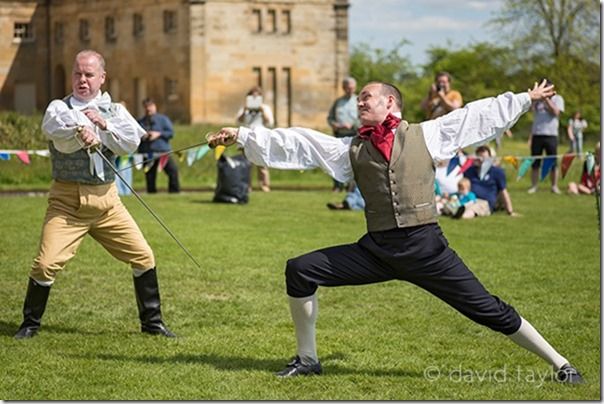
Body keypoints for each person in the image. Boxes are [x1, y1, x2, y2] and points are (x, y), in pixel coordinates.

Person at [208, 80, 582, 383]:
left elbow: (475, 116)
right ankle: (308, 360)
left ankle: (560, 363)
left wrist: (523, 99)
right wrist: (241, 136)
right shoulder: (350, 149)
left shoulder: (428, 134)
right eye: (357, 99)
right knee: (300, 269)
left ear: (390, 102)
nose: (359, 103)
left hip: (428, 252)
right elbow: (299, 142)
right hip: (377, 252)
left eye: (365, 97)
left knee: (489, 311)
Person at [14, 50, 175, 339]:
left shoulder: (115, 110)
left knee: (143, 256)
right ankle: (29, 324)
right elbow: (55, 131)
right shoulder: (58, 107)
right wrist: (82, 128)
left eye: (89, 74)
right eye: (78, 73)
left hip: (108, 203)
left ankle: (152, 324)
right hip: (67, 203)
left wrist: (104, 125)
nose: (82, 80)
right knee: (45, 263)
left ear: (102, 77)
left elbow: (130, 142)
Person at [527, 78, 564, 194]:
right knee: (535, 162)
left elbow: (556, 112)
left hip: (551, 135)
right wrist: (533, 98)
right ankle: (534, 186)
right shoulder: (538, 101)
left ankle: (554, 186)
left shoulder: (558, 99)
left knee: (552, 162)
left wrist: (547, 99)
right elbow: (530, 109)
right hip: (537, 134)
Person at [462, 145, 518, 219]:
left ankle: (462, 216)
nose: (481, 160)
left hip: (485, 203)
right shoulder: (470, 171)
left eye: (484, 157)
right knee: (459, 205)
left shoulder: (497, 172)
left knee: (472, 209)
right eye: (479, 157)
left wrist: (510, 211)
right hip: (471, 199)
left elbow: (503, 191)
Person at [137, 98, 180, 193]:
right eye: (146, 107)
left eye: (150, 106)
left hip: (163, 152)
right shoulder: (140, 122)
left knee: (173, 171)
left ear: (155, 106)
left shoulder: (163, 119)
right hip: (147, 153)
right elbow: (134, 136)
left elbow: (171, 133)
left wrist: (158, 134)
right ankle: (151, 194)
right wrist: (144, 136)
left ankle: (174, 192)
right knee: (150, 176)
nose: (148, 109)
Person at [236, 86, 274, 192]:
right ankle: (246, 186)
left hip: (260, 137)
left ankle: (264, 185)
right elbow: (238, 122)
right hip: (246, 137)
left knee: (262, 163)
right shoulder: (244, 108)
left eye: (257, 96)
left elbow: (269, 122)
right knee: (246, 164)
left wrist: (262, 111)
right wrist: (245, 110)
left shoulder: (265, 108)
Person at [327, 77, 361, 191]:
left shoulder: (359, 101)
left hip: (353, 134)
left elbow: (363, 118)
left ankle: (351, 186)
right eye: (347, 88)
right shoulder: (338, 102)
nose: (350, 90)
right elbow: (330, 118)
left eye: (352, 88)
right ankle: (337, 186)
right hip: (339, 135)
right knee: (337, 160)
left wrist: (353, 125)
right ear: (343, 88)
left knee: (352, 160)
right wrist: (334, 124)